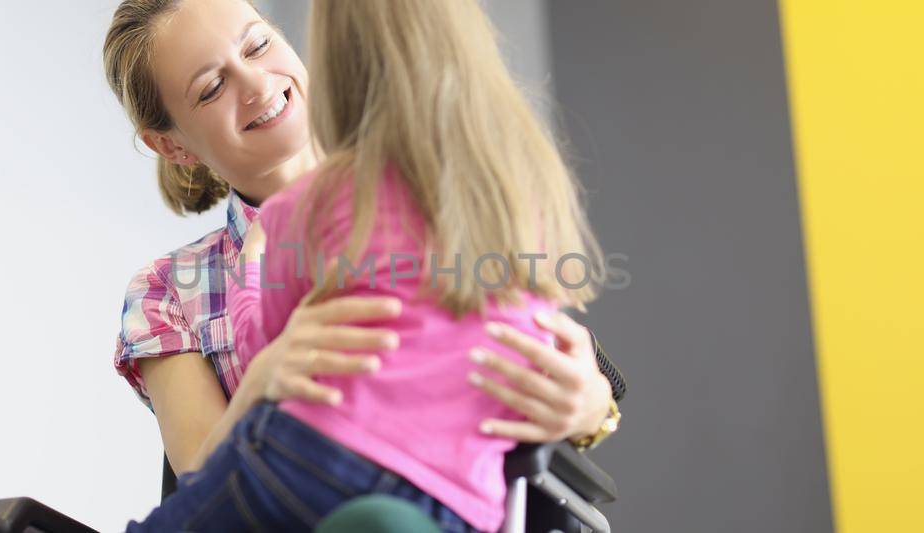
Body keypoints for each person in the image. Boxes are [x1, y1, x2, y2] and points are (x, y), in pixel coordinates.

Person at [102, 0, 622, 524]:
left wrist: (592, 407)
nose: (257, 85)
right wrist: (261, 382)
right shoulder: (169, 291)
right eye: (212, 88)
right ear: (171, 145)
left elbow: (530, 349)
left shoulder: (443, 189)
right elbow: (201, 478)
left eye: (258, 45)